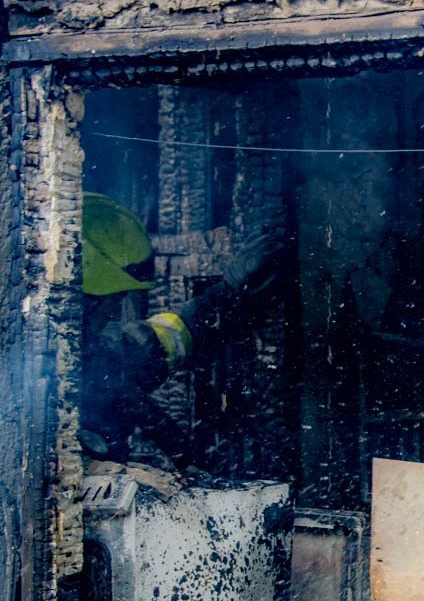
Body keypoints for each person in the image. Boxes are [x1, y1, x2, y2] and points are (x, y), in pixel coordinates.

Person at [79, 192, 287, 461]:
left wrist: (227, 291)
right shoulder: (57, 379)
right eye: (114, 298)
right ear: (89, 297)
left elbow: (161, 340)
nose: (116, 311)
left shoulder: (99, 354)